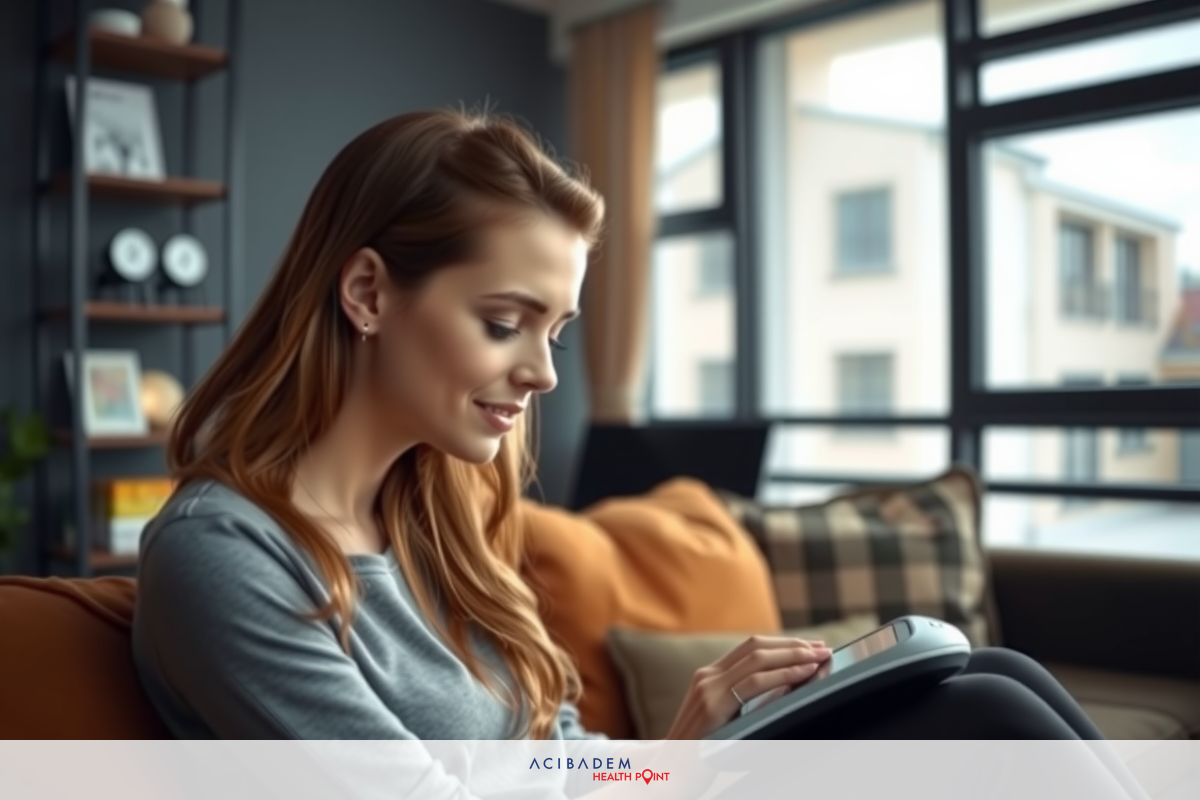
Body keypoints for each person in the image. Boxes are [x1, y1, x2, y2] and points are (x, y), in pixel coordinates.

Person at [131, 109, 1147, 798]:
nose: (544, 374)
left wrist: (681, 741)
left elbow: (557, 759)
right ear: (366, 295)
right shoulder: (225, 554)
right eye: (504, 321)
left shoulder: (440, 517)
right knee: (980, 714)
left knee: (986, 675)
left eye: (557, 330)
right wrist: (671, 763)